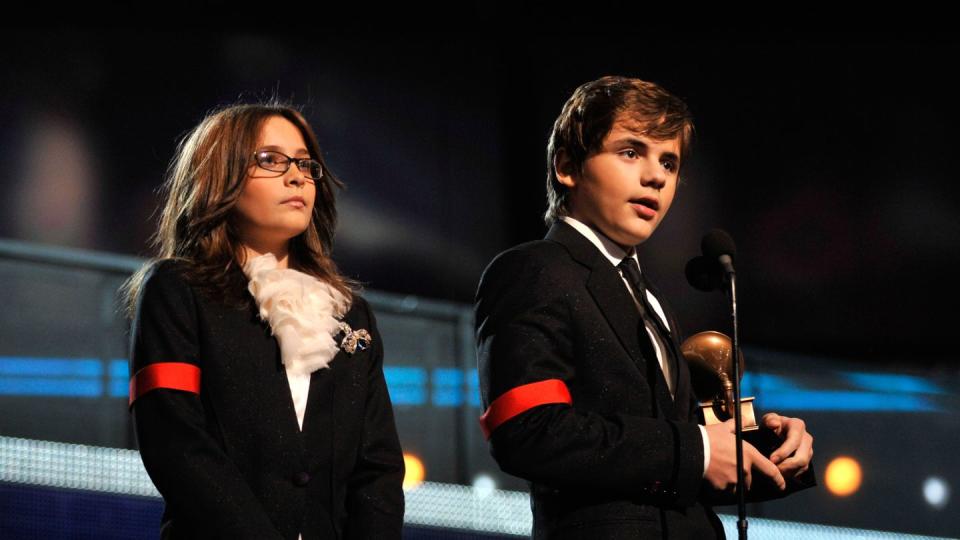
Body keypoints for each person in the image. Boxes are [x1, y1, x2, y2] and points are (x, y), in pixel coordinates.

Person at [475, 76, 814, 539]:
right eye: (631, 152)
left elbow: (656, 456)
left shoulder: (647, 295)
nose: (656, 175)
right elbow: (528, 429)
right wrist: (695, 450)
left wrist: (758, 444)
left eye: (669, 162)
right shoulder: (533, 269)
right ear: (567, 166)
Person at [123, 103, 405, 540]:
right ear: (220, 173)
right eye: (271, 160)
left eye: (306, 164)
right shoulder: (176, 290)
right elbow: (176, 444)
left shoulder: (351, 313)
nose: (297, 176)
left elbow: (379, 470)